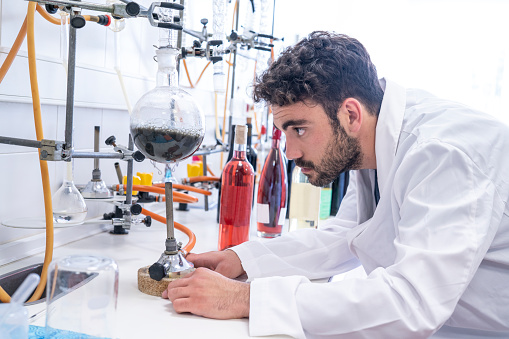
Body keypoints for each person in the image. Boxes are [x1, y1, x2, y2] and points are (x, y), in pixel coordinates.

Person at [162, 31, 509, 338]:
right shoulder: (375, 140)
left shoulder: (443, 155)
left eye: (299, 129)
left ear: (351, 115)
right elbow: (346, 234)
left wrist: (245, 298)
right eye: (285, 132)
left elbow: (412, 303)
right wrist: (241, 259)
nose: (291, 151)